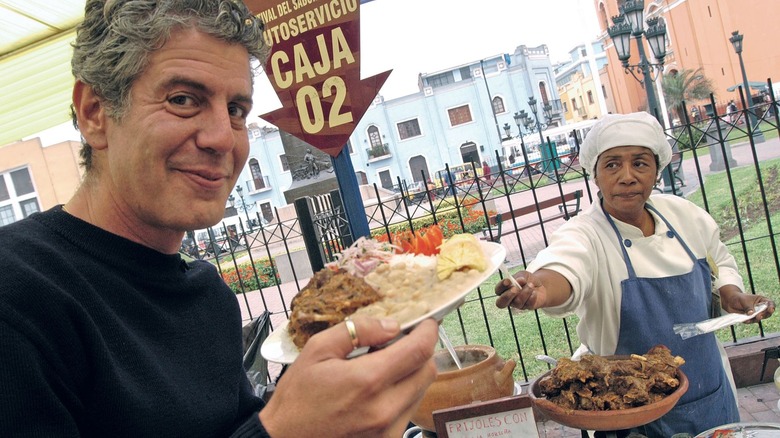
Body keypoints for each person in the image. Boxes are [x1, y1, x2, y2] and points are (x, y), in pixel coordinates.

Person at [0, 1, 439, 437]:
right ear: (94, 113)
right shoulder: (18, 294)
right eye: (183, 100)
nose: (221, 139)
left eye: (236, 110)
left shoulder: (208, 295)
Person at [494, 112, 775, 437]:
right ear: (595, 175)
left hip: (710, 395)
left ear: (656, 170)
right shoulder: (586, 233)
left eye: (640, 163)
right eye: (612, 164)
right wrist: (539, 288)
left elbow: (719, 261)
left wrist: (732, 294)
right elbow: (564, 267)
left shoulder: (685, 217)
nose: (627, 176)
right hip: (626, 415)